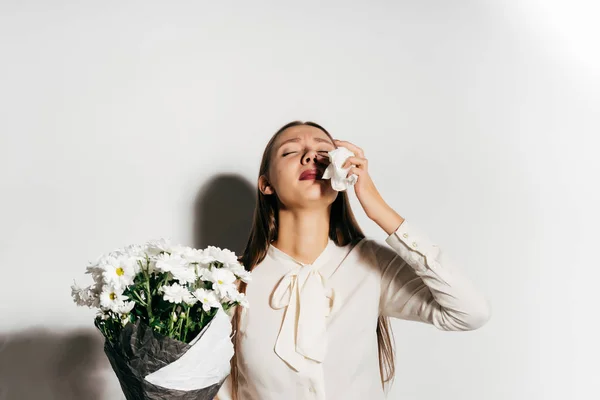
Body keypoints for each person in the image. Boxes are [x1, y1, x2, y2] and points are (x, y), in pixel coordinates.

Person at [215, 121, 491, 400]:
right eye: (290, 152)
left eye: (324, 151)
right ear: (266, 185)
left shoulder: (370, 264)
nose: (310, 156)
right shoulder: (229, 281)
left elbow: (469, 312)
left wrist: (377, 208)